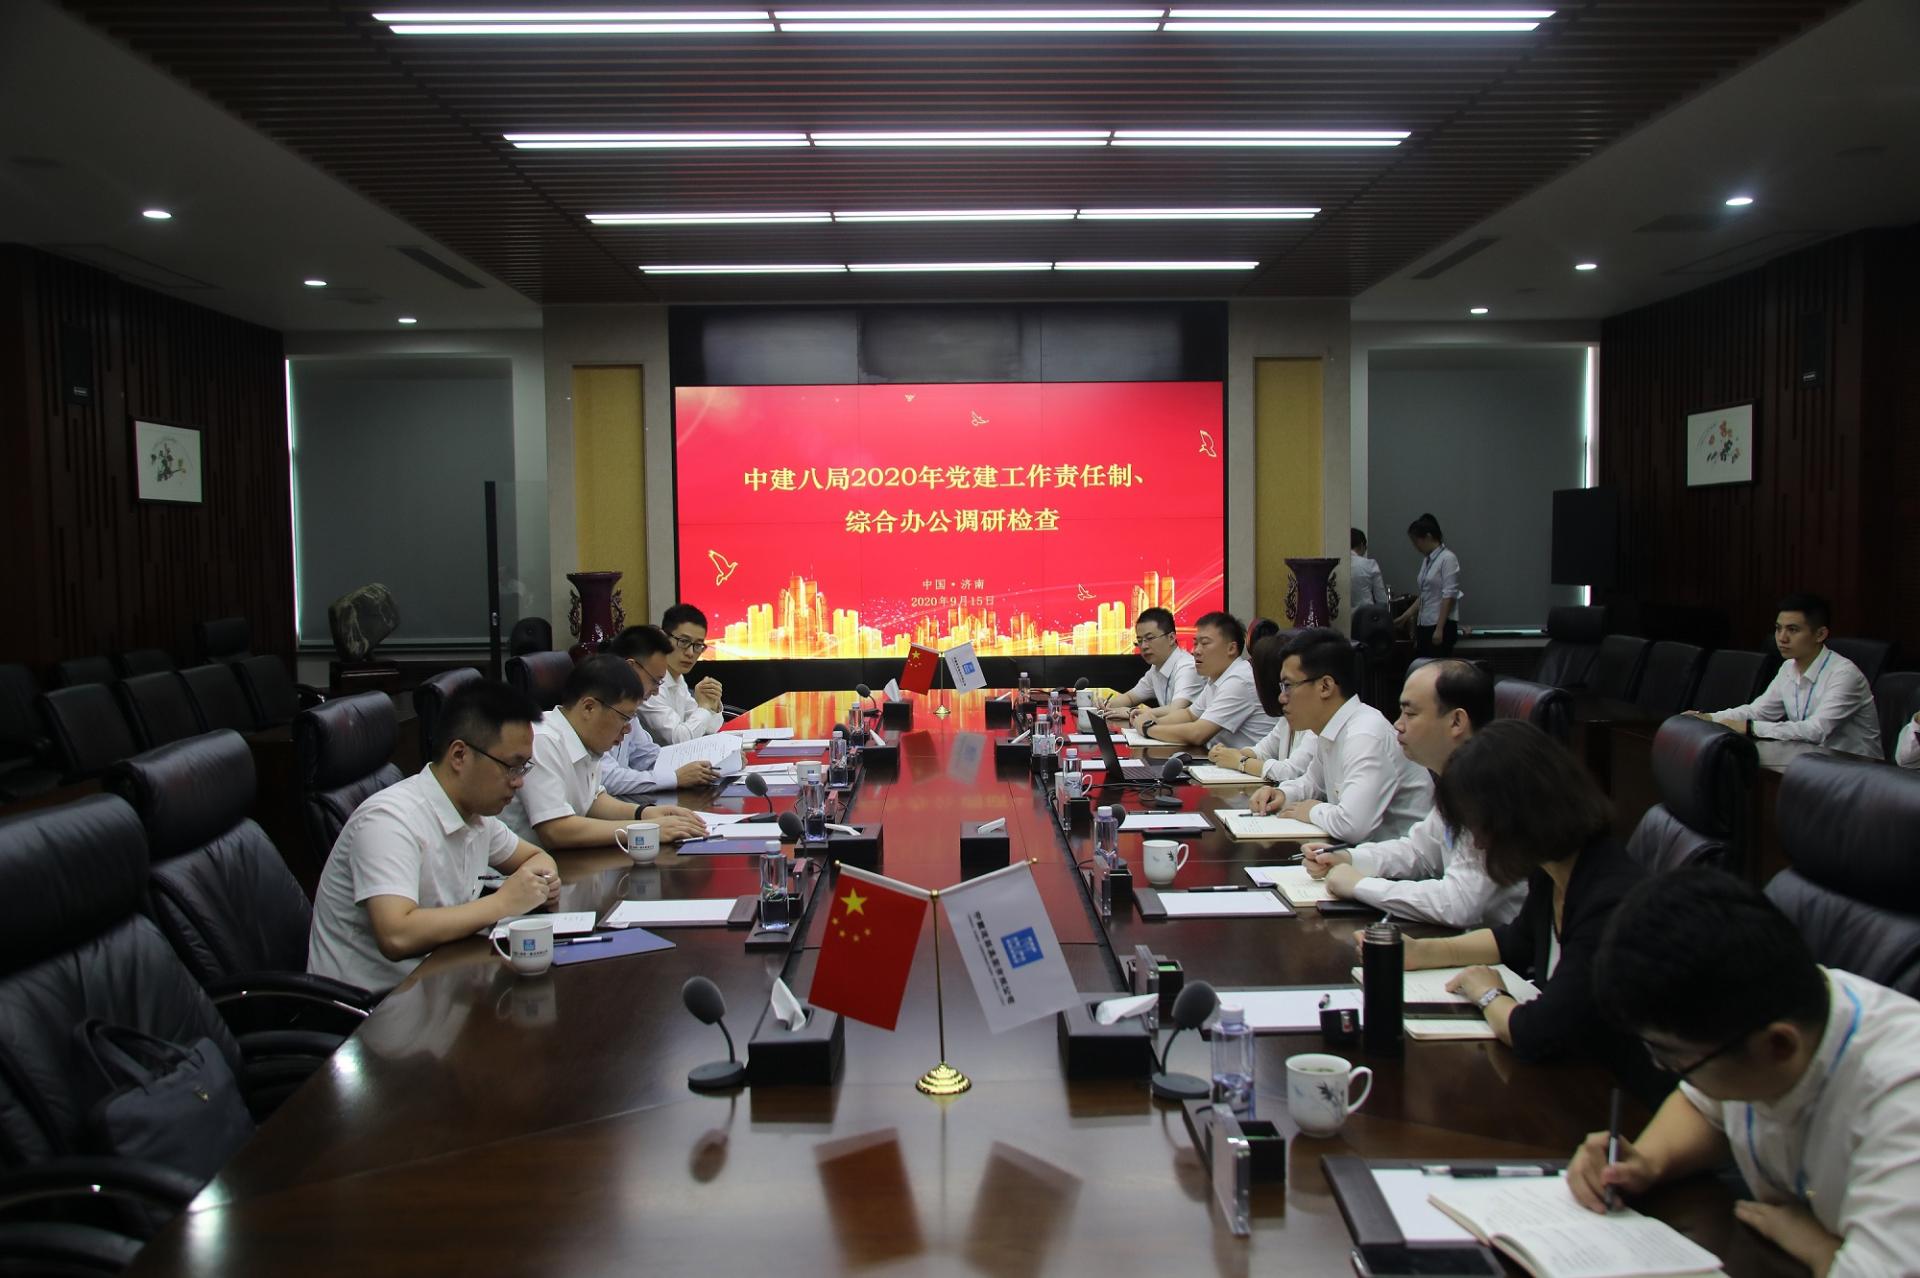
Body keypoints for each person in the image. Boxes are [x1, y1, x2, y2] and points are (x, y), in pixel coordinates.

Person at [1570, 870, 1920, 1277]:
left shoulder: (1905, 1099)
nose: (1667, 1069)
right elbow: (1703, 1106)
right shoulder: (1764, 1008)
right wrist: (1647, 1162)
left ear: (1778, 1046)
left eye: (1675, 1058)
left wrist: (1816, 1246)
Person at [1382, 720, 1665, 1100]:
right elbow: (1516, 940)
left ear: (1519, 815)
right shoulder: (1556, 869)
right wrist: (1422, 952)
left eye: (1481, 827)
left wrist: (1488, 994)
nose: (1478, 844)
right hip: (1569, 1075)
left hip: (1612, 1095)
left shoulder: (1608, 901)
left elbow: (1535, 1032)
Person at [308, 683, 564, 993]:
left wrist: (542, 882)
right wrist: (503, 902)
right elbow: (396, 935)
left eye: (524, 767)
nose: (519, 782)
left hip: (440, 983)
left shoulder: (475, 815)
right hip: (374, 1005)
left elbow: (535, 857)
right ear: (459, 755)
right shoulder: (390, 820)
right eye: (511, 766)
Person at [1308, 659, 1526, 928]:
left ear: (1456, 721)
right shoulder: (1455, 778)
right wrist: (1350, 858)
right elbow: (1420, 852)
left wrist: (1361, 886)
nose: (1397, 725)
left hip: (1500, 948)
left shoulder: (1488, 786)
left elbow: (1459, 904)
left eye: (1410, 714)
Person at [501, 654, 705, 849]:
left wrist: (645, 813)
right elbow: (556, 830)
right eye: (625, 717)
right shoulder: (542, 740)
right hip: (517, 869)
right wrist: (646, 829)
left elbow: (592, 800)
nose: (628, 729)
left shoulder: (585, 739)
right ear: (589, 708)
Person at [1248, 628, 1431, 843]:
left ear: (1325, 686)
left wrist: (1312, 810)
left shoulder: (1365, 734)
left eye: (1288, 686)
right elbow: (1312, 783)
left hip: (1403, 859)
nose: (1281, 697)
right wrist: (1283, 794)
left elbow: (1352, 825)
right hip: (1362, 853)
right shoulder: (1330, 729)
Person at [1687, 594, 1881, 759]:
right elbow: (1758, 711)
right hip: (1815, 765)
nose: (1782, 638)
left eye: (1792, 630)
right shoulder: (1788, 667)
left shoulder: (1844, 675)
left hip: (1858, 773)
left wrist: (1750, 728)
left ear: (1820, 634)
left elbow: (1816, 730)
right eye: (1778, 628)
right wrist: (1709, 718)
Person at [600, 624, 719, 799]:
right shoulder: (598, 708)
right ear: (631, 667)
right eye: (655, 681)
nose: (656, 691)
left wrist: (714, 763)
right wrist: (675, 778)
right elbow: (606, 778)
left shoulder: (629, 710)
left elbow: (649, 757)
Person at [1135, 611, 1278, 751]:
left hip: (1246, 763)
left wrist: (1149, 728)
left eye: (1204, 643)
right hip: (1218, 759)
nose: (1195, 651)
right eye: (1195, 643)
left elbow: (1197, 733)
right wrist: (1154, 721)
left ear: (1231, 648)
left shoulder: (1239, 679)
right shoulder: (1218, 676)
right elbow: (1189, 715)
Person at [1208, 634, 1315, 783]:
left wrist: (1240, 761)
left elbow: (1291, 772)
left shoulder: (1315, 723)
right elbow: (1263, 751)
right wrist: (1227, 754)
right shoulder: (1287, 718)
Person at [637, 603, 726, 745]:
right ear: (664, 639)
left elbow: (709, 729)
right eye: (684, 642)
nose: (690, 653)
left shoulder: (677, 677)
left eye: (698, 645)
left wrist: (712, 705)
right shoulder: (649, 684)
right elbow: (679, 739)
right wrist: (704, 707)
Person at [1100, 607, 1204, 719]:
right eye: (1140, 641)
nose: (1144, 646)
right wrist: (1107, 705)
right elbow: (1131, 697)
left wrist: (1132, 713)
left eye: (1149, 638)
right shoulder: (1156, 668)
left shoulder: (1187, 667)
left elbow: (1176, 710)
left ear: (1171, 638)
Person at [1395, 513, 1461, 658]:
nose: (1416, 546)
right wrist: (1406, 616)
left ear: (1428, 537)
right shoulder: (1427, 560)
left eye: (1416, 541)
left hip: (1439, 625)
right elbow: (1425, 594)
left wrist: (1439, 628)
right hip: (1424, 623)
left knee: (1437, 667)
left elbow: (1449, 595)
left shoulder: (1448, 558)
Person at [1350, 527, 1389, 610]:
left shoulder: (1338, 564)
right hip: (1366, 615)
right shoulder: (1370, 564)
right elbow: (1381, 600)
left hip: (1342, 616)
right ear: (1362, 545)